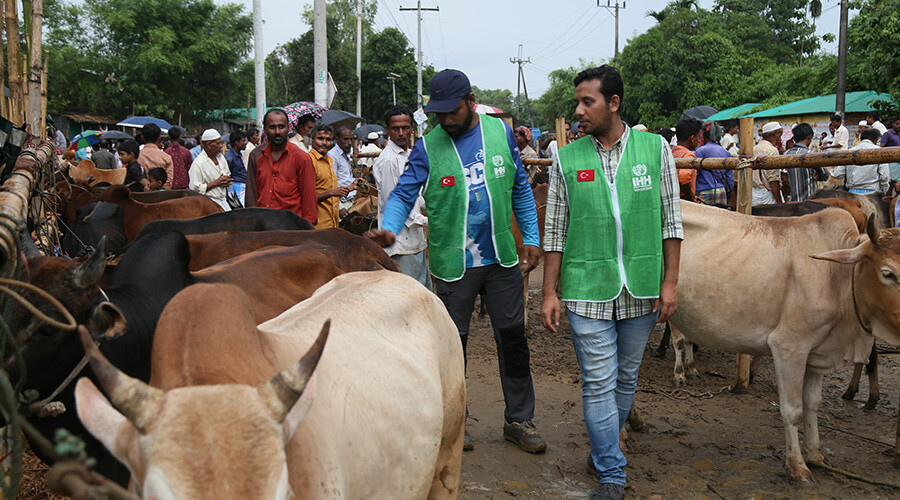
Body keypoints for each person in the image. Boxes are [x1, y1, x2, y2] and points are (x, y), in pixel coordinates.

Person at [365, 69, 544, 456]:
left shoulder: (500, 133)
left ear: (470, 100)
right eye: (438, 114)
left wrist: (530, 236)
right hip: (452, 263)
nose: (445, 120)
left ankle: (518, 420)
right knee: (451, 346)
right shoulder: (428, 147)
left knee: (512, 339)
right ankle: (453, 424)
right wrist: (391, 228)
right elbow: (401, 194)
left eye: (452, 112)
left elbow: (519, 190)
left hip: (501, 259)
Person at [540, 65, 682, 500]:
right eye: (577, 102)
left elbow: (671, 221)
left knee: (625, 380)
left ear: (613, 103)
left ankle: (602, 449)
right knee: (599, 382)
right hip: (586, 287)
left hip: (641, 285)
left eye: (588, 102)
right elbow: (555, 230)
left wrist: (670, 282)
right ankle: (611, 472)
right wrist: (549, 291)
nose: (578, 110)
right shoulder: (566, 157)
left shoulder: (655, 150)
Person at [372, 105, 430, 288]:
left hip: (414, 242)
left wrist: (432, 208)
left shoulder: (409, 155)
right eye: (395, 128)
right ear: (387, 130)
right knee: (410, 299)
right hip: (401, 246)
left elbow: (416, 197)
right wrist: (434, 221)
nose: (401, 133)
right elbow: (397, 208)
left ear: (412, 127)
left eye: (405, 127)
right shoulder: (390, 160)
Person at [245, 109, 318, 225]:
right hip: (263, 228)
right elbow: (251, 197)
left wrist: (306, 232)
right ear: (265, 129)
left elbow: (309, 203)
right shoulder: (256, 156)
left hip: (290, 230)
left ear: (288, 128)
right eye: (272, 127)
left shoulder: (301, 158)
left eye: (281, 127)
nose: (277, 132)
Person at [310, 124, 355, 229]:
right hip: (318, 225)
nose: (324, 143)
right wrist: (331, 193)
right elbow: (307, 199)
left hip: (332, 223)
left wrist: (351, 187)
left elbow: (333, 188)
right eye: (320, 139)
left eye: (328, 139)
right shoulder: (309, 161)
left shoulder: (329, 161)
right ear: (312, 140)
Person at [830, 128, 890, 194]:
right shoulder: (880, 152)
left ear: (861, 139)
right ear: (875, 140)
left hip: (852, 194)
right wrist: (885, 191)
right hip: (872, 195)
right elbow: (885, 177)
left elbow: (837, 174)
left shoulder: (850, 152)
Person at [189, 129, 232, 211]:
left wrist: (226, 181)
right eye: (218, 143)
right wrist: (215, 183)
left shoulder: (220, 157)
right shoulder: (198, 163)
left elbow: (227, 174)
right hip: (208, 205)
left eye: (221, 143)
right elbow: (194, 189)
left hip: (223, 200)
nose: (221, 146)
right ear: (209, 144)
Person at [783, 123, 828, 201]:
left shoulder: (786, 154)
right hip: (810, 203)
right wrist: (818, 173)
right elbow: (825, 176)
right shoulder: (812, 154)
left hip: (793, 203)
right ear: (809, 137)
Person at [694, 121, 734, 204]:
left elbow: (695, 175)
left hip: (703, 193)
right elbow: (730, 179)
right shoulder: (725, 152)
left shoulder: (700, 151)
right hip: (721, 192)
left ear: (703, 135)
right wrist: (728, 197)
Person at [751, 122, 784, 205]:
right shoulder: (772, 151)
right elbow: (773, 180)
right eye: (779, 136)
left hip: (754, 194)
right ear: (771, 136)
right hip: (768, 194)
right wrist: (779, 202)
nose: (780, 139)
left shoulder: (754, 149)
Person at [327, 126, 358, 210]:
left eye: (351, 139)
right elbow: (331, 184)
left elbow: (346, 178)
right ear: (337, 139)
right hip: (343, 202)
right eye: (345, 139)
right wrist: (340, 207)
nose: (349, 142)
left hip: (352, 198)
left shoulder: (346, 154)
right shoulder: (332, 156)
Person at [673, 117, 702, 202]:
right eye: (698, 137)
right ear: (692, 139)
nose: (698, 140)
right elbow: (683, 177)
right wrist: (690, 198)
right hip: (684, 203)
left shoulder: (671, 152)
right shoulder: (688, 155)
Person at [137, 123, 174, 189]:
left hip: (140, 196)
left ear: (142, 138)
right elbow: (168, 182)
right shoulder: (166, 158)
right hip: (162, 196)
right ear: (159, 138)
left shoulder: (136, 157)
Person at [225, 130, 248, 206]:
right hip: (236, 189)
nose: (245, 143)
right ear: (236, 142)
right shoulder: (229, 158)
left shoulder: (238, 155)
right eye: (243, 141)